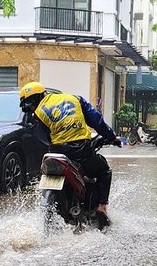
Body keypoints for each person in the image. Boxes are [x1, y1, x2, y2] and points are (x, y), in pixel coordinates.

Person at [19, 81, 119, 226]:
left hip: (57, 151)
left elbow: (44, 138)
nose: (32, 107)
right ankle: (102, 207)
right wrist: (110, 137)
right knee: (103, 171)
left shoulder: (38, 114)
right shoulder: (75, 99)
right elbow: (96, 120)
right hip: (81, 150)